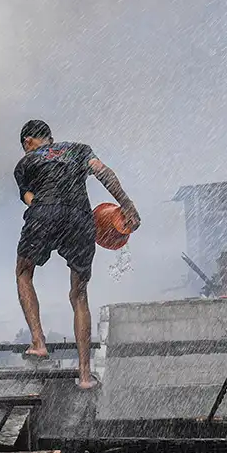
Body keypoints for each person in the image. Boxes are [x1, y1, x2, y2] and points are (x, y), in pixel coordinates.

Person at [14, 120, 140, 390]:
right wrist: (126, 204)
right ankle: (84, 375)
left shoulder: (25, 163)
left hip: (44, 212)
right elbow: (103, 172)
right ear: (50, 137)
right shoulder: (78, 150)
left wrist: (46, 217)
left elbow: (29, 198)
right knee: (79, 294)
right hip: (81, 218)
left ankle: (38, 342)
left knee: (24, 273)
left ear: (28, 142)